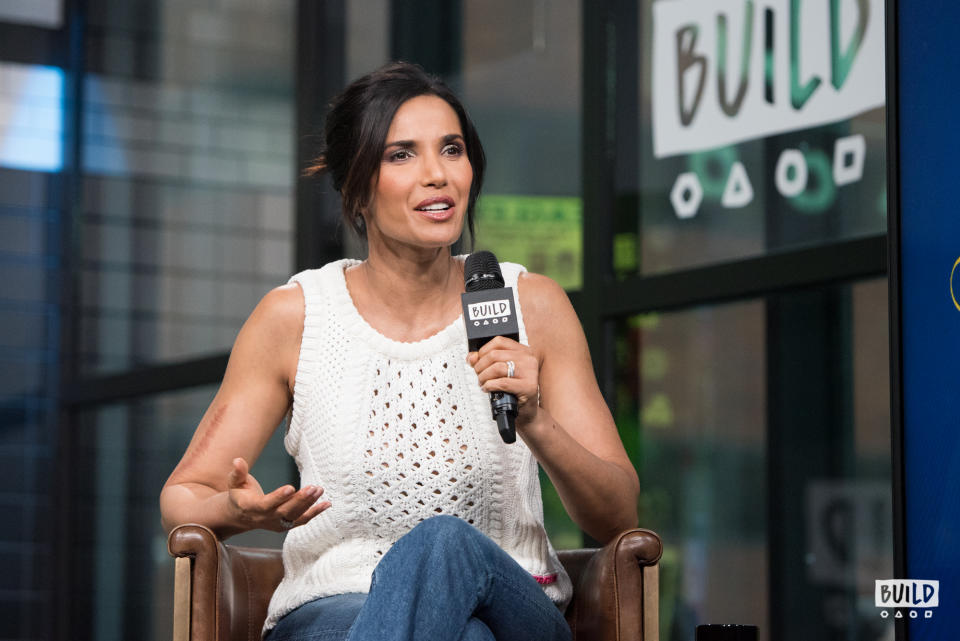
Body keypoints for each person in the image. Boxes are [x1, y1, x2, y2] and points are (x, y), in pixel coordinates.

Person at [159, 61, 639, 641]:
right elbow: (183, 496)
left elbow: (617, 516)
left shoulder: (530, 304)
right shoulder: (297, 317)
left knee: (445, 544)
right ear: (356, 186)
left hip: (513, 606)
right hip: (337, 613)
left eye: (452, 149)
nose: (437, 174)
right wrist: (234, 515)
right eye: (402, 154)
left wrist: (535, 419)